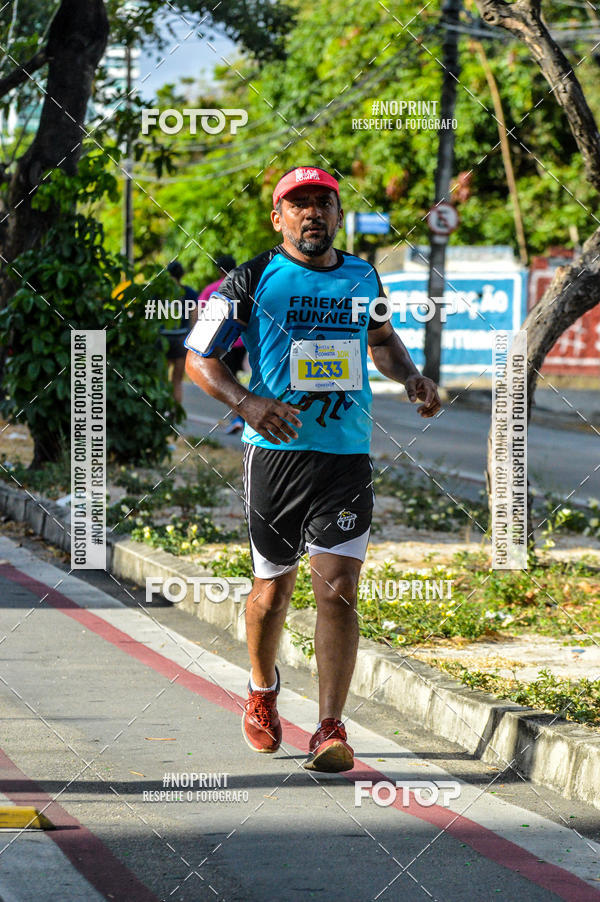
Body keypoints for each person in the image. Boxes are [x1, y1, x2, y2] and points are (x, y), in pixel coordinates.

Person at [185, 166, 441, 772]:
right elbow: (201, 358)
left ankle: (329, 727)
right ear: (278, 218)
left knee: (339, 589)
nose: (312, 214)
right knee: (273, 591)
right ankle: (261, 689)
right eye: (298, 205)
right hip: (275, 455)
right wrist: (247, 403)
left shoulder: (362, 273)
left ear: (336, 213)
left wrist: (410, 377)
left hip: (346, 455)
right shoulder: (251, 279)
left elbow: (380, 339)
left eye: (323, 203)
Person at [195, 255, 246, 433]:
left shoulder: (212, 289)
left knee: (230, 381)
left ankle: (239, 417)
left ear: (219, 270)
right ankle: (243, 416)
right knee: (243, 377)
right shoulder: (245, 286)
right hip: (244, 342)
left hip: (223, 343)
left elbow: (199, 311)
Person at [161, 261, 197, 405]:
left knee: (161, 379)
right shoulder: (190, 293)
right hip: (181, 339)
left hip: (163, 338)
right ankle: (175, 416)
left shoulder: (160, 292)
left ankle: (161, 412)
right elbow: (194, 318)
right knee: (177, 381)